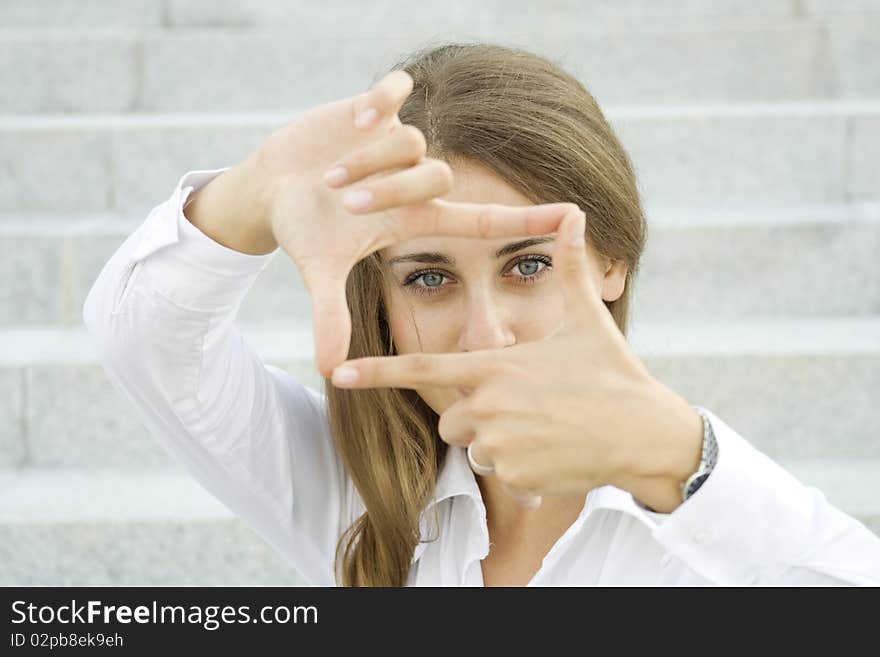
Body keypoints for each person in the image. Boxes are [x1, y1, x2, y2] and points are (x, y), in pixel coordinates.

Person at [83, 42, 880, 587]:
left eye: (528, 264)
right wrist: (254, 192)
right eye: (429, 277)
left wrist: (682, 458)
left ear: (613, 259)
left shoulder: (717, 534)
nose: (486, 335)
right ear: (384, 307)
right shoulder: (358, 502)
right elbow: (145, 336)